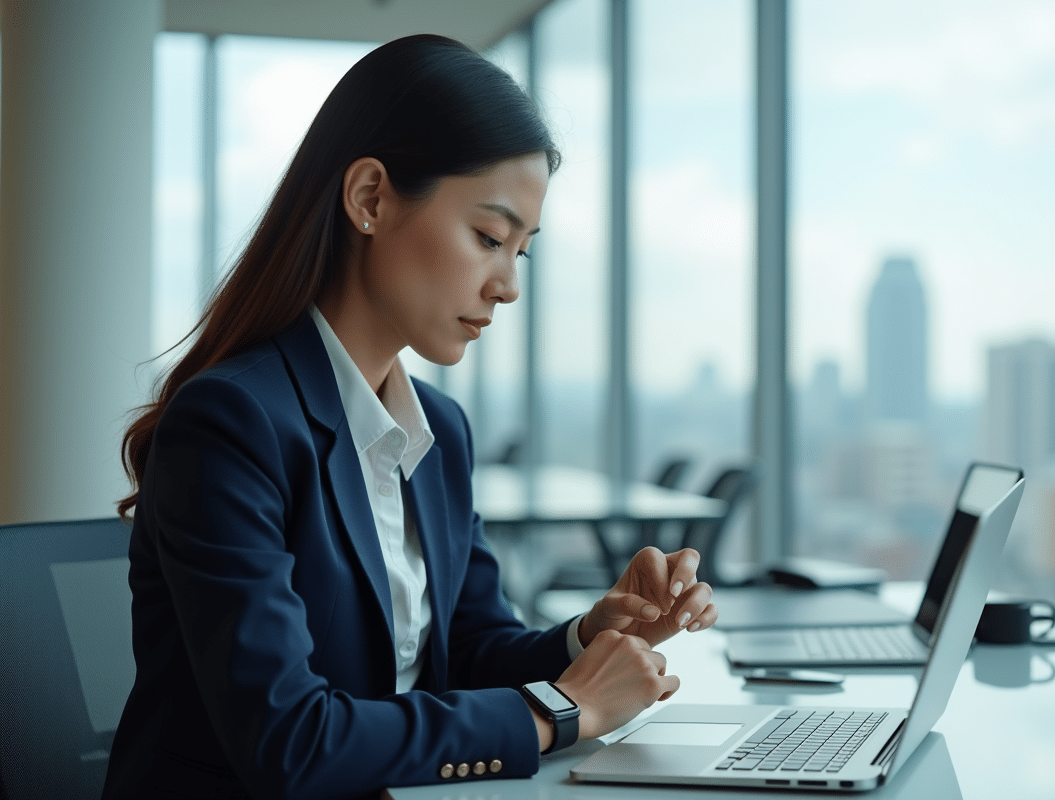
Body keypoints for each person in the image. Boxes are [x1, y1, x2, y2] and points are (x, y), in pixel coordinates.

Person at [103, 34, 717, 800]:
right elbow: (289, 740)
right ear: (370, 198)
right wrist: (562, 710)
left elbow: (469, 648)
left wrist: (591, 639)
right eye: (489, 238)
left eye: (520, 251)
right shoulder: (232, 423)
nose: (507, 286)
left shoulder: (440, 432)